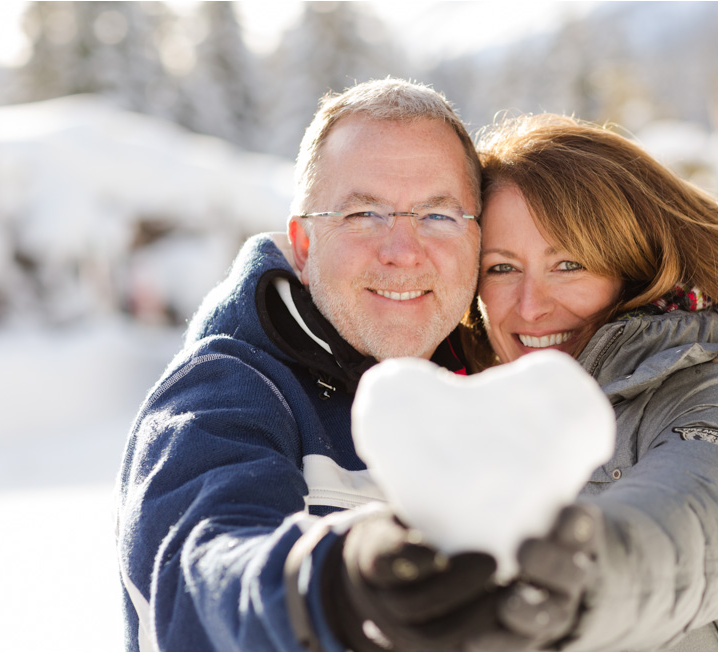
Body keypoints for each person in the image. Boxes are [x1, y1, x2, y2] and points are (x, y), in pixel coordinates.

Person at [323, 114, 718, 651]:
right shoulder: (505, 417)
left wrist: (564, 580)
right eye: (502, 268)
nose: (531, 307)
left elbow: (690, 531)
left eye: (569, 264)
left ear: (636, 264)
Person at [115, 78, 484, 651]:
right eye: (364, 214)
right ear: (305, 247)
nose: (403, 251)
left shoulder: (499, 380)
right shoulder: (227, 390)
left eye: (438, 216)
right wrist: (336, 587)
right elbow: (202, 573)